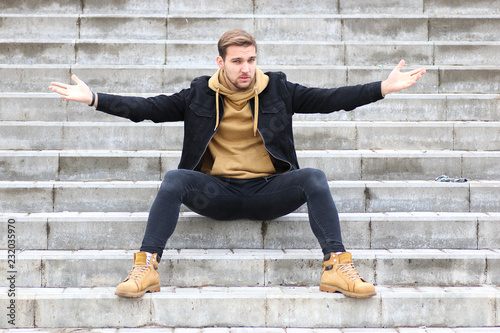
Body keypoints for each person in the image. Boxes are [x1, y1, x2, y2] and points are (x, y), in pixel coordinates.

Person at [49, 29, 426, 299]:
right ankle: (146, 267)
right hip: (217, 193)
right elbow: (147, 108)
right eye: (237, 61)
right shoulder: (198, 93)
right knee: (175, 179)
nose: (246, 69)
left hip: (268, 191)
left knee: (313, 177)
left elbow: (330, 98)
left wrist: (382, 87)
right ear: (221, 62)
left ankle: (337, 267)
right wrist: (95, 98)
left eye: (251, 60)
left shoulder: (279, 89)